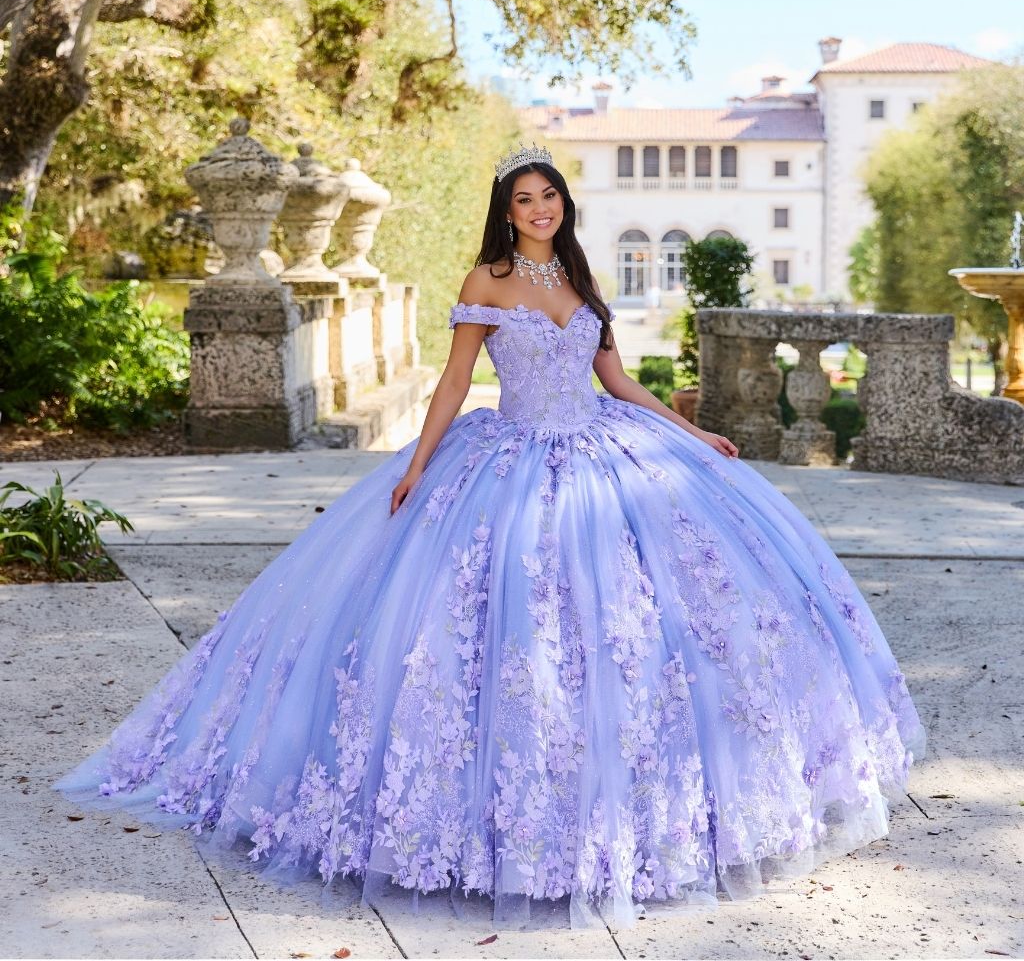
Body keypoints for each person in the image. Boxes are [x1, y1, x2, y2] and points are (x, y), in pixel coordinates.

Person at [54, 143, 925, 931]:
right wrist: (415, 463)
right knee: (493, 635)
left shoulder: (582, 278)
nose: (539, 209)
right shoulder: (486, 279)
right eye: (524, 199)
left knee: (665, 619)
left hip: (603, 451)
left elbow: (614, 376)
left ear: (562, 205)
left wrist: (693, 434)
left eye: (549, 196)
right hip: (507, 459)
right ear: (505, 211)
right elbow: (454, 379)